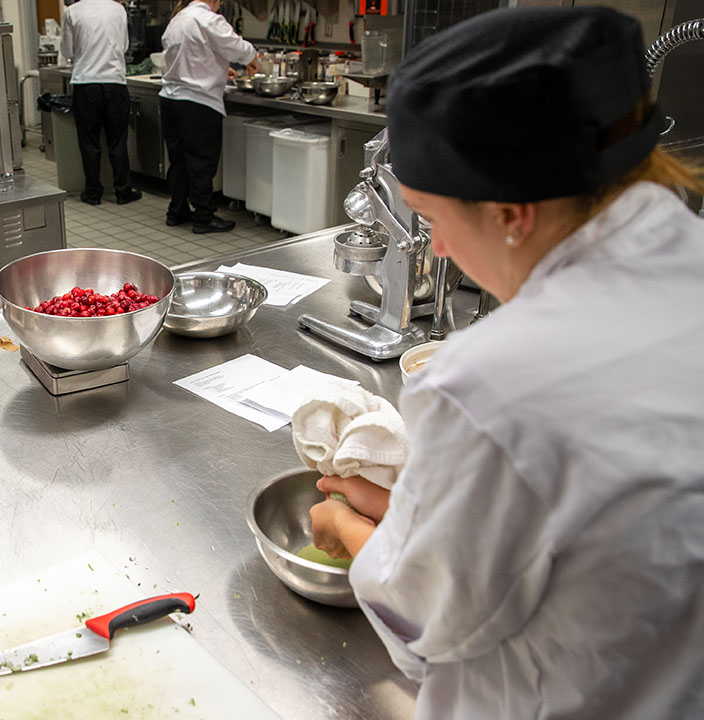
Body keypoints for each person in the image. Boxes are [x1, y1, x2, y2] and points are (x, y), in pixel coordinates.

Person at [307, 8, 704, 719]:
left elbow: (422, 623)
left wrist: (345, 531)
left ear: (513, 211)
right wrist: (425, 516)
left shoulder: (490, 386)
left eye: (436, 217)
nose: (446, 251)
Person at [158, 0, 256, 234]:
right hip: (198, 102)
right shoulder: (207, 18)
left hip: (171, 99)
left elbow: (189, 56)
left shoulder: (177, 19)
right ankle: (203, 217)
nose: (220, 5)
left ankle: (177, 210)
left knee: (179, 159)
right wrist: (254, 58)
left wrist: (220, 67)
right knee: (201, 161)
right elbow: (237, 48)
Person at [61, 0, 142, 206]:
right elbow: (124, 46)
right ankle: (123, 191)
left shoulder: (73, 11)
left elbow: (67, 51)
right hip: (114, 82)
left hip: (86, 83)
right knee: (118, 140)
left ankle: (93, 192)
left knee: (89, 141)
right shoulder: (118, 9)